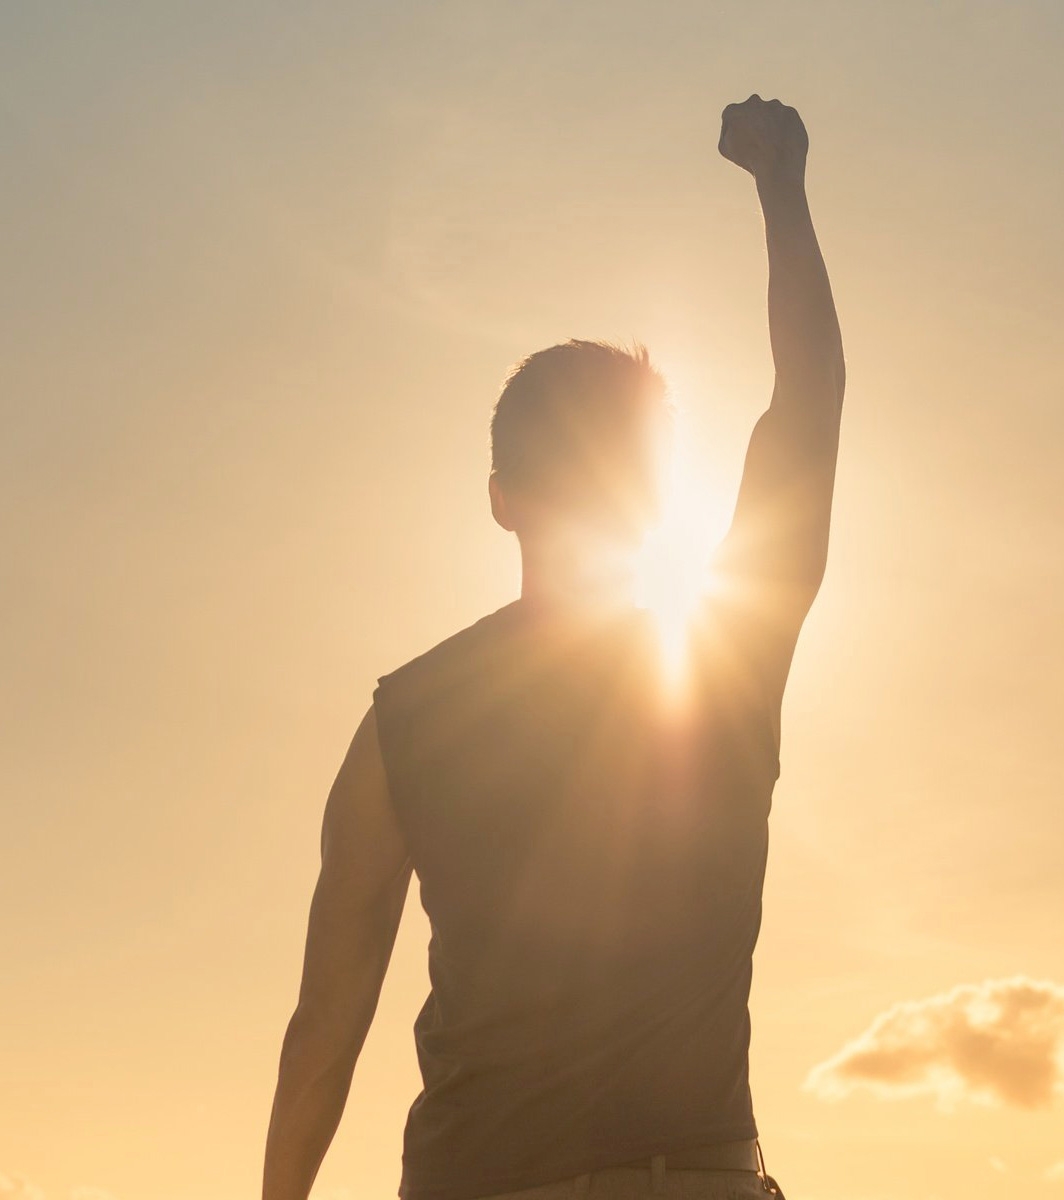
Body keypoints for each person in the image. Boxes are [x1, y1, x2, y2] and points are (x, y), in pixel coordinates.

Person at [263, 94, 845, 1200]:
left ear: (500, 501)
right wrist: (783, 189)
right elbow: (807, 406)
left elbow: (327, 1025)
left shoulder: (402, 725)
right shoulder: (726, 663)